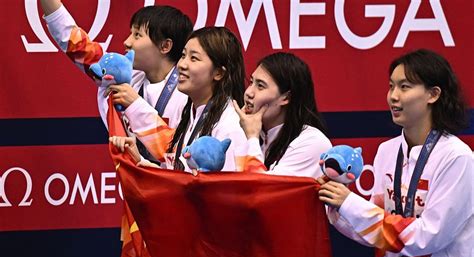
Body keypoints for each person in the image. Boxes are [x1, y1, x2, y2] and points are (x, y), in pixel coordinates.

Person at [318, 49, 473, 257]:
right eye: (391, 86)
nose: (393, 96)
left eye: (404, 87)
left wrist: (351, 203)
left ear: (433, 94)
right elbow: (377, 232)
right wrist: (335, 204)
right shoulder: (387, 151)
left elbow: (428, 237)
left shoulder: (457, 158)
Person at [40, 0, 193, 161]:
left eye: (137, 35)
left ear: (165, 46)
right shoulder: (123, 77)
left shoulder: (190, 94)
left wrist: (135, 104)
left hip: (173, 184)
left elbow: (182, 155)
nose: (127, 42)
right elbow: (77, 46)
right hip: (133, 183)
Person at [110, 27, 247, 172]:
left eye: (194, 58)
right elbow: (181, 173)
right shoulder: (191, 114)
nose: (181, 65)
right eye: (183, 55)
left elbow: (228, 189)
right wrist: (139, 160)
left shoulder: (229, 126)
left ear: (218, 73)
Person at [232, 52, 331, 178]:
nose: (249, 93)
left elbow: (259, 190)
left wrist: (252, 137)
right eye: (251, 82)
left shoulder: (312, 142)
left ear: (286, 97)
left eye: (260, 86)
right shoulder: (258, 135)